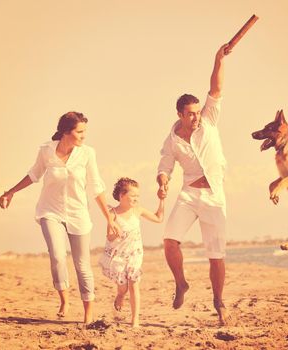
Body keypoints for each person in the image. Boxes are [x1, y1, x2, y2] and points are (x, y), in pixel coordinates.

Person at [0, 111, 118, 324]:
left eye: (85, 132)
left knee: (82, 265)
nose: (84, 136)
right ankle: (64, 298)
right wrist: (10, 192)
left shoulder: (88, 153)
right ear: (65, 132)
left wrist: (109, 218)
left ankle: (88, 311)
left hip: (78, 214)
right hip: (50, 211)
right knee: (58, 256)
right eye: (80, 132)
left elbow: (96, 186)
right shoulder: (47, 151)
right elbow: (34, 174)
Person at [156, 43, 232, 325]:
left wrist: (218, 59)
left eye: (197, 112)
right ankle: (181, 282)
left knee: (216, 255)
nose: (195, 116)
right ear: (179, 114)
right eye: (190, 113)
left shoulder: (209, 121)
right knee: (169, 241)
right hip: (189, 194)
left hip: (214, 196)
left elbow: (215, 88)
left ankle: (218, 302)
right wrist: (163, 182)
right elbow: (164, 166)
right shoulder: (172, 140)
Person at [99, 178, 165, 328]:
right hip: (118, 257)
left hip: (135, 255)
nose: (136, 199)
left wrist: (162, 201)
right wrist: (117, 233)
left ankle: (135, 321)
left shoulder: (138, 210)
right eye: (133, 196)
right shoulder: (113, 213)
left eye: (138, 196)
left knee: (134, 284)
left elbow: (159, 218)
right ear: (122, 195)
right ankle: (120, 295)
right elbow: (109, 236)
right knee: (123, 287)